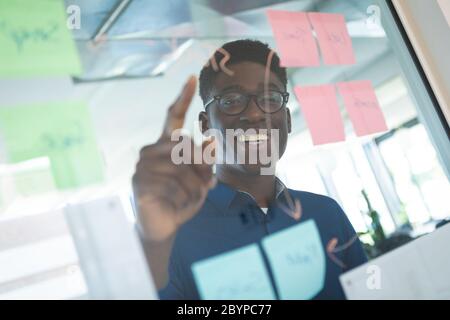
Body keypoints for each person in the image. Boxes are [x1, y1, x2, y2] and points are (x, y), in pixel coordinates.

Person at [132, 39, 367, 300]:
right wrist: (153, 247)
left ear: (287, 120)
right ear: (205, 123)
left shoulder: (326, 214)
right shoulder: (170, 238)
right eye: (231, 100)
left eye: (270, 98)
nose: (255, 114)